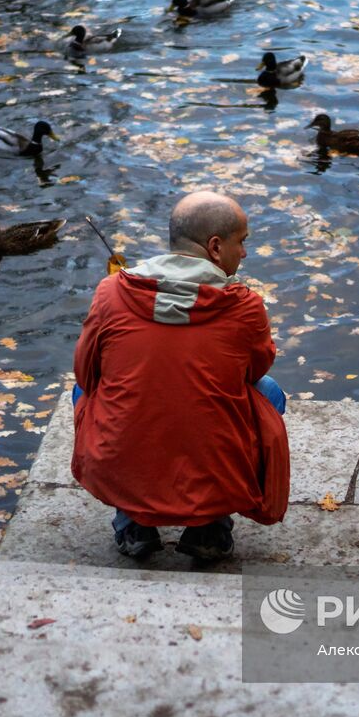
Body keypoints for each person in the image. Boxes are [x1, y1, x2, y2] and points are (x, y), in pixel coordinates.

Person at [71, 190, 289, 561]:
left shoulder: (111, 293)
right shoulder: (244, 307)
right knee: (268, 391)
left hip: (125, 461)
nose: (246, 253)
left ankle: (132, 521)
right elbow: (254, 370)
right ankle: (210, 527)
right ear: (216, 247)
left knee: (83, 391)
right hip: (212, 465)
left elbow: (85, 372)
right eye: (242, 242)